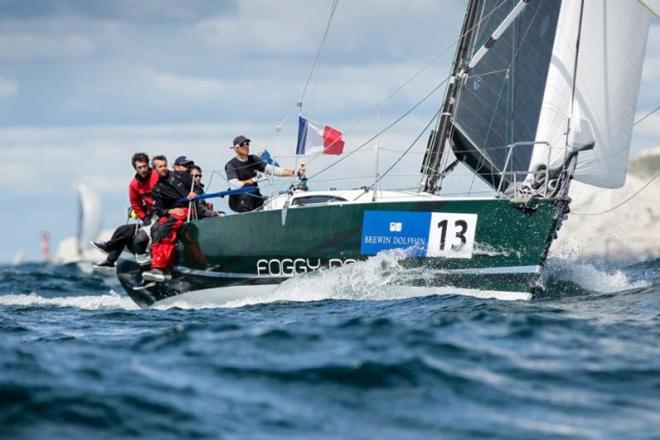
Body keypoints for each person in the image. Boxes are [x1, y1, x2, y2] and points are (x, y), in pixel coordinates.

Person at [92, 152, 159, 268]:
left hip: (161, 214)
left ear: (148, 165)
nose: (143, 170)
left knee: (128, 233)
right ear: (135, 169)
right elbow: (135, 204)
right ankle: (110, 260)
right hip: (150, 217)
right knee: (122, 230)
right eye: (139, 167)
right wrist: (143, 217)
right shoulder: (134, 185)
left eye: (144, 166)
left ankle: (109, 247)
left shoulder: (157, 175)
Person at [141, 155, 202, 282]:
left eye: (164, 165)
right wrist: (170, 210)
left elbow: (198, 188)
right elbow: (159, 209)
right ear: (154, 169)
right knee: (155, 229)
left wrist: (194, 193)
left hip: (188, 209)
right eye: (160, 166)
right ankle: (164, 269)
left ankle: (159, 268)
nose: (163, 168)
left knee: (165, 229)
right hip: (172, 213)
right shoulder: (156, 189)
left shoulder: (181, 175)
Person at [225, 135, 298, 212]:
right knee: (248, 189)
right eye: (242, 144)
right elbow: (234, 186)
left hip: (255, 197)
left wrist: (295, 173)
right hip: (238, 201)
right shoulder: (231, 165)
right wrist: (253, 180)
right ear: (236, 149)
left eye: (247, 144)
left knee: (274, 202)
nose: (246, 146)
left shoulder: (253, 159)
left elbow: (273, 170)